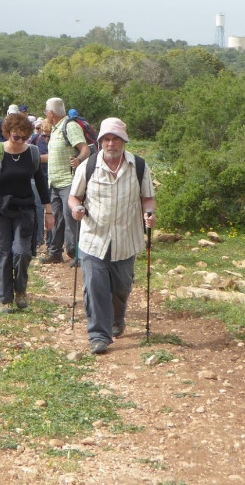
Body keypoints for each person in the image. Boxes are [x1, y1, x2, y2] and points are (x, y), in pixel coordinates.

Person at [68, 118, 156, 355]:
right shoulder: (88, 165)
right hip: (93, 238)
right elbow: (74, 197)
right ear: (100, 142)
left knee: (121, 287)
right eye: (106, 139)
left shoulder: (138, 165)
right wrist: (77, 209)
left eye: (115, 139)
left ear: (123, 141)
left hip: (127, 239)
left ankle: (117, 318)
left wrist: (149, 214)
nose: (110, 144)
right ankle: (99, 335)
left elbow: (147, 197)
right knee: (95, 286)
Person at [0, 112, 52, 313]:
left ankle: (20, 290)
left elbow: (41, 184)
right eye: (14, 136)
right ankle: (5, 299)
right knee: (3, 254)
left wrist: (48, 210)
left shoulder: (33, 153)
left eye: (22, 137)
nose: (18, 141)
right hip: (0, 209)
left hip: (25, 210)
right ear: (8, 133)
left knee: (22, 252)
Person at [41, 98, 90, 265]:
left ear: (51, 113)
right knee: (55, 218)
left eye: (46, 111)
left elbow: (85, 148)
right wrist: (35, 158)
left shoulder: (70, 126)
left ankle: (77, 254)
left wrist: (78, 159)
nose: (46, 114)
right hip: (55, 183)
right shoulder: (55, 129)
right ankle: (55, 252)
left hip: (69, 182)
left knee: (71, 220)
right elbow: (54, 156)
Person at [32, 118, 54, 254]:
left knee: (52, 211)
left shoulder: (58, 141)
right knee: (38, 209)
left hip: (53, 179)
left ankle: (51, 242)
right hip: (38, 179)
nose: (46, 138)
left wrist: (40, 157)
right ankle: (39, 240)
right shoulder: (37, 139)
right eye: (44, 135)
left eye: (49, 136)